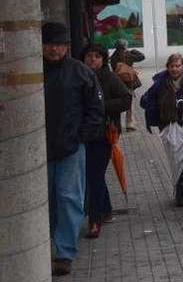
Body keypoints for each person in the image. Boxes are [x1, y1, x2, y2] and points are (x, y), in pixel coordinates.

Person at [42, 22, 105, 276]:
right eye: (49, 44)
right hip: (40, 152)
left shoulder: (81, 73)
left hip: (71, 149)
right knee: (46, 201)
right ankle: (47, 245)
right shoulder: (32, 72)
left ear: (66, 47)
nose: (53, 49)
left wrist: (81, 137)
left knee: (69, 199)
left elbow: (96, 111)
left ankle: (65, 253)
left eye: (58, 44)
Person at [141, 53, 183, 206]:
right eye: (172, 66)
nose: (175, 69)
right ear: (168, 67)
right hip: (167, 125)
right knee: (174, 156)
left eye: (178, 66)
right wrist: (155, 105)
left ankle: (181, 193)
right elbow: (145, 100)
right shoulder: (160, 83)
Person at [80, 42, 131, 239]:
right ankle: (106, 208)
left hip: (104, 135)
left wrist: (100, 105)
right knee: (94, 175)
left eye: (97, 56)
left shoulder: (109, 78)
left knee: (94, 176)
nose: (93, 60)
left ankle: (95, 219)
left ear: (103, 59)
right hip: (83, 134)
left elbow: (126, 100)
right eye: (89, 56)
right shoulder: (79, 76)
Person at [110, 39, 145, 131]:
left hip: (117, 82)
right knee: (129, 102)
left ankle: (116, 123)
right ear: (125, 46)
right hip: (129, 82)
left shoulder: (113, 57)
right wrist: (134, 51)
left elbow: (113, 68)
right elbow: (142, 57)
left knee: (117, 103)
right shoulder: (129, 55)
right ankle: (129, 123)